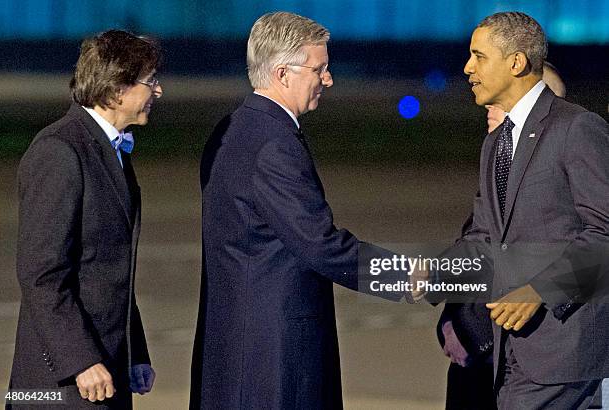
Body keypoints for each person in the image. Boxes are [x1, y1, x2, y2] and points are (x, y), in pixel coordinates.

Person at [190, 11, 420, 410]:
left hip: (232, 346)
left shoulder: (231, 129)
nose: (327, 79)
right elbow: (319, 243)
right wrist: (399, 273)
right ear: (283, 74)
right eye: (320, 69)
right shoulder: (274, 145)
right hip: (273, 355)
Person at [438, 11, 608, 409]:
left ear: (516, 62)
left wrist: (540, 291)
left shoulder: (576, 129)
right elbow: (484, 235)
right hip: (512, 352)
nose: (467, 68)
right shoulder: (496, 142)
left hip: (565, 353)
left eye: (479, 56)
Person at [8, 30, 162, 409]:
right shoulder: (60, 152)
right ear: (116, 90)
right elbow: (41, 274)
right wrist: (80, 360)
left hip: (107, 369)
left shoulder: (112, 149)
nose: (158, 91)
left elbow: (110, 270)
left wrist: (134, 352)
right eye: (150, 81)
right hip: (63, 382)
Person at [437, 61, 567, 410]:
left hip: (520, 362)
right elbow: (479, 244)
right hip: (477, 362)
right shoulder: (498, 160)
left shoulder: (564, 167)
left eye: (502, 100)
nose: (489, 107)